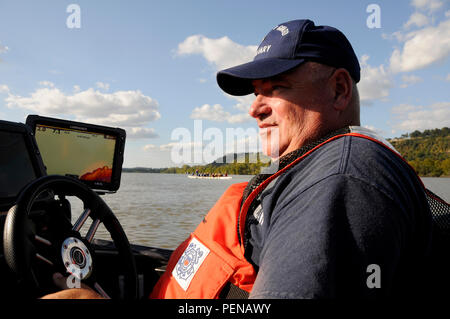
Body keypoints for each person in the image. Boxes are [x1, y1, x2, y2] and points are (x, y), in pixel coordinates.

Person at [43, 19, 433, 299]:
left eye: (277, 87)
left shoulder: (340, 177)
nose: (254, 109)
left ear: (339, 89)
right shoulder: (314, 169)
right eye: (254, 93)